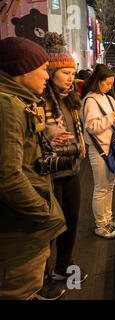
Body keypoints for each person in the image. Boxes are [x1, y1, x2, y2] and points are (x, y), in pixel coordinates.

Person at [0, 37, 66, 299]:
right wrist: (45, 212)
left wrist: (47, 133)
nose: (47, 76)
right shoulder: (8, 106)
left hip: (23, 222)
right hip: (20, 228)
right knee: (20, 290)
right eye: (42, 69)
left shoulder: (19, 102)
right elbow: (7, 177)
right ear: (23, 71)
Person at [31, 33, 88, 300]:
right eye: (65, 72)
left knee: (71, 221)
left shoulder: (71, 99)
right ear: (51, 71)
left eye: (72, 72)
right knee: (48, 228)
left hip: (72, 168)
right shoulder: (38, 101)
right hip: (49, 174)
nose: (69, 77)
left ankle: (64, 266)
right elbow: (36, 138)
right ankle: (40, 280)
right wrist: (49, 136)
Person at [80, 64, 115, 239]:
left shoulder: (108, 98)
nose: (110, 87)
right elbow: (92, 127)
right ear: (97, 81)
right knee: (101, 188)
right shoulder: (90, 100)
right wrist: (114, 115)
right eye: (107, 84)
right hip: (99, 150)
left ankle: (108, 219)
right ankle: (100, 224)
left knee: (109, 186)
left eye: (111, 84)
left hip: (112, 148)